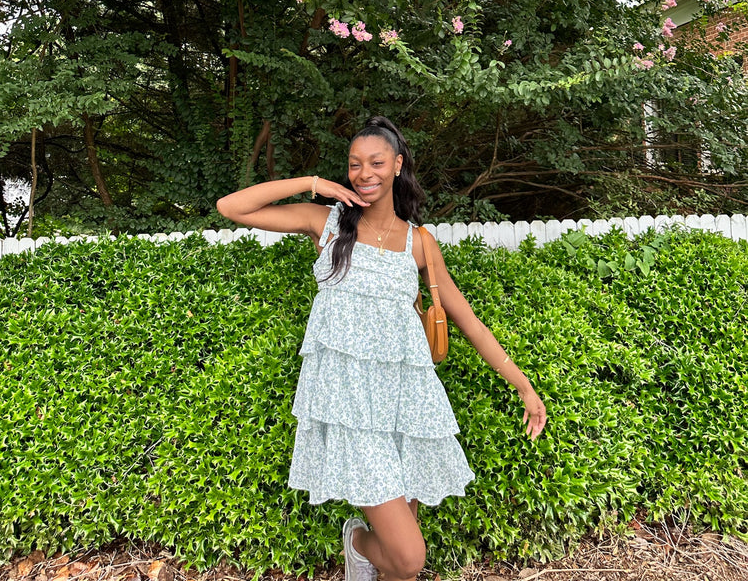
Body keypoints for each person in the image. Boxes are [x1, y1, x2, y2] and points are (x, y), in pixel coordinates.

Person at [216, 115, 546, 581]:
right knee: (409, 557)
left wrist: (524, 385)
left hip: (405, 402)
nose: (363, 173)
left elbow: (469, 322)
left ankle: (365, 559)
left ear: (397, 165)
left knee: (399, 563)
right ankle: (356, 541)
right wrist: (313, 182)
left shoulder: (420, 243)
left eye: (375, 162)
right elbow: (232, 206)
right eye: (354, 164)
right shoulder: (325, 224)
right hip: (350, 404)